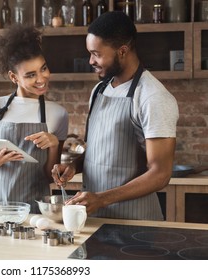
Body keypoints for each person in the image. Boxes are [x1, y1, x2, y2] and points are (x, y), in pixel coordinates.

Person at [52, 11, 179, 220]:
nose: (91, 60)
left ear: (122, 51)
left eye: (97, 54)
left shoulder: (152, 96)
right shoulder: (100, 90)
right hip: (95, 218)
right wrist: (74, 165)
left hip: (136, 222)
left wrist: (102, 198)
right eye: (90, 53)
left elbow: (161, 174)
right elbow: (100, 150)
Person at [0, 24, 69, 213]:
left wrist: (55, 144)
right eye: (31, 75)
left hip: (33, 210)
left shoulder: (58, 114)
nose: (41, 79)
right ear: (14, 77)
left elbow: (50, 177)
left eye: (44, 68)